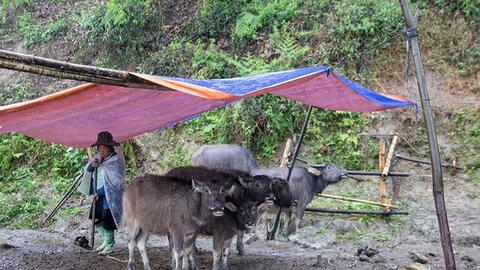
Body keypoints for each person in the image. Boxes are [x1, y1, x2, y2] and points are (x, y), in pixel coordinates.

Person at [78, 131, 126, 255]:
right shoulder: (99, 158)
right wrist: (92, 165)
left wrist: (99, 192)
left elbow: (116, 183)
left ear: (111, 148)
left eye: (105, 148)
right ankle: (105, 241)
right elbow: (88, 169)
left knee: (107, 220)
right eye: (100, 148)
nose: (102, 150)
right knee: (96, 218)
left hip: (111, 197)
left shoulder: (115, 162)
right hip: (98, 194)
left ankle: (110, 244)